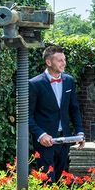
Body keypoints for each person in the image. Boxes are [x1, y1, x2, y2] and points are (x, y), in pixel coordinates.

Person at [29, 46, 85, 182]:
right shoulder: (34, 84)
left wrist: (79, 132)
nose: (63, 63)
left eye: (64, 59)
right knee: (47, 179)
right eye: (59, 60)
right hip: (45, 142)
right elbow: (27, 115)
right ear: (49, 62)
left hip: (64, 139)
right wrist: (40, 134)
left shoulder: (69, 81)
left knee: (62, 178)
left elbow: (74, 109)